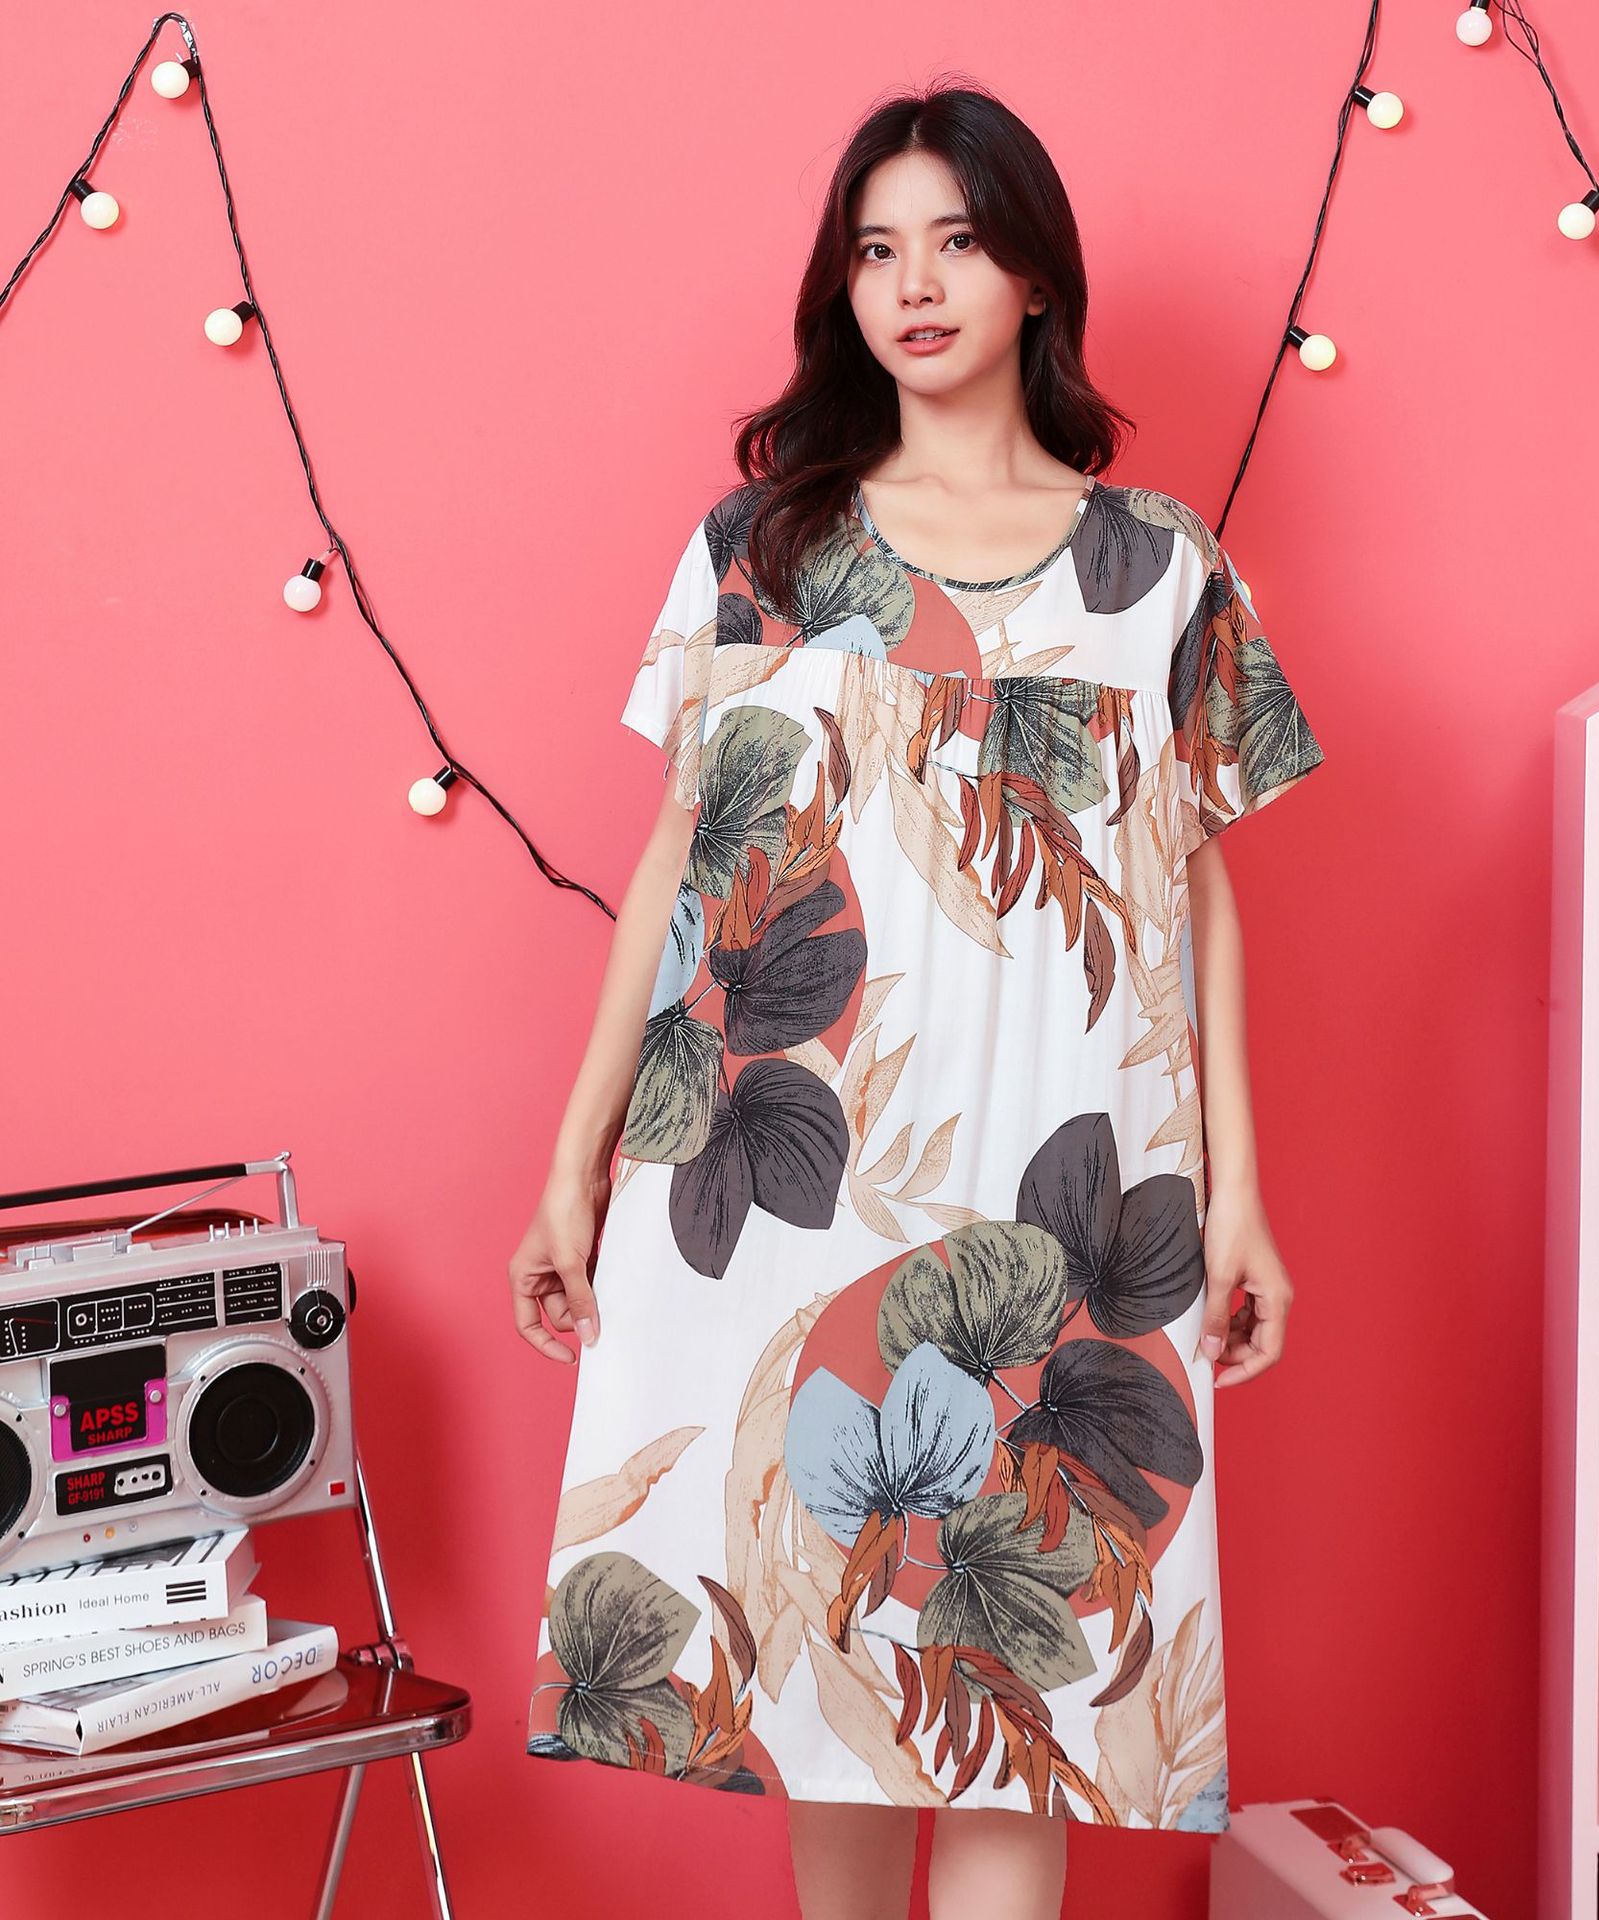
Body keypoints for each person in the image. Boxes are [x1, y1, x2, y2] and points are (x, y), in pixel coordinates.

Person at [509, 79, 1327, 1920]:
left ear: (1035, 275)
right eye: (878, 252)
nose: (917, 285)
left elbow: (1199, 892)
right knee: (833, 1680)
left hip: (1066, 1168)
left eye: (956, 241)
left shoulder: (1159, 566)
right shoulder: (765, 548)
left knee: (1021, 1686)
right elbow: (677, 860)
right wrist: (572, 1169)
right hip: (803, 1173)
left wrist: (1243, 1200)